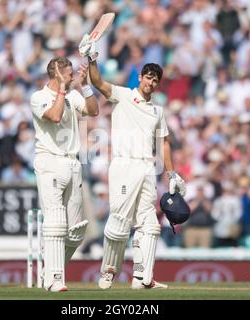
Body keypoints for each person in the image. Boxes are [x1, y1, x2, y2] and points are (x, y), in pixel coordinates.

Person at [81, 38, 187, 289]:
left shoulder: (157, 111)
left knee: (149, 225)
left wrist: (171, 173)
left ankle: (142, 278)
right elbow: (97, 82)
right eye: (148, 77)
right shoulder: (124, 95)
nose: (151, 82)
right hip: (123, 165)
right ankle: (108, 271)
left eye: (155, 80)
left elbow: (164, 142)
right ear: (140, 77)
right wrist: (91, 58)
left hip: (147, 169)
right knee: (119, 221)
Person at [30, 57, 99, 292]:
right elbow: (55, 116)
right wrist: (61, 88)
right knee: (56, 223)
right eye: (69, 75)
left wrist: (84, 85)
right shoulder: (38, 97)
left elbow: (94, 110)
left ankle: (49, 270)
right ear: (57, 75)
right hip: (49, 162)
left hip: (73, 163)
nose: (72, 77)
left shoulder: (72, 95)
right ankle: (54, 279)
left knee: (76, 230)